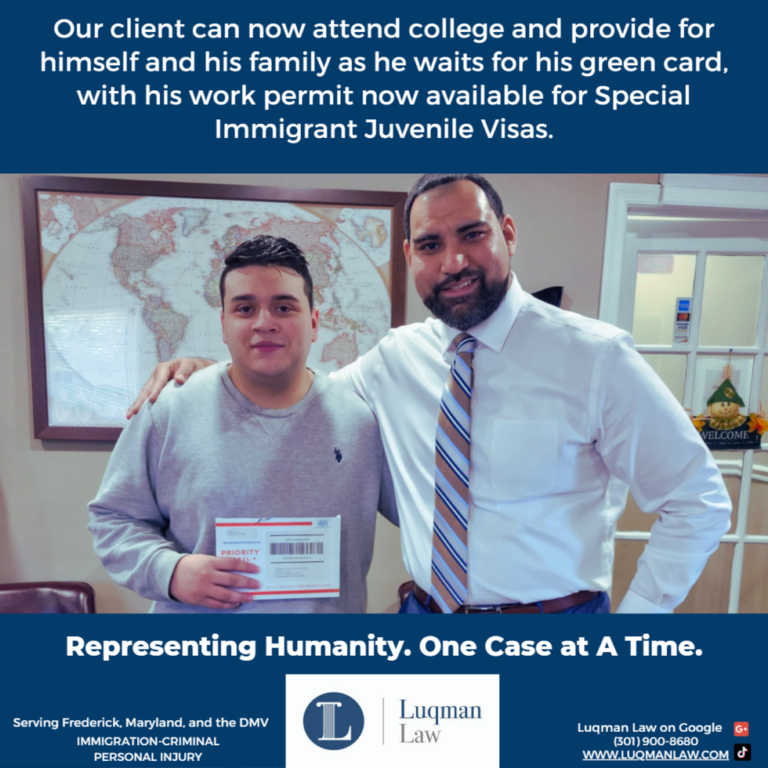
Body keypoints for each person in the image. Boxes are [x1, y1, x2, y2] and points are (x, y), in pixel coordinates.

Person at [128, 174, 731, 615]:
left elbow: (697, 500)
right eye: (431, 244)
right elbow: (297, 399)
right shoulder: (396, 358)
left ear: (509, 233)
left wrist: (640, 623)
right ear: (411, 255)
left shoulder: (597, 357)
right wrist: (210, 372)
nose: (455, 260)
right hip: (425, 623)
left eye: (473, 234)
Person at [90, 235, 397, 613]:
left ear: (314, 322)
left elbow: (423, 515)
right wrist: (169, 572)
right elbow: (114, 518)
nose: (264, 323)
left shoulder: (362, 421)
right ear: (223, 323)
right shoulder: (169, 409)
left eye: (284, 307)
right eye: (245, 308)